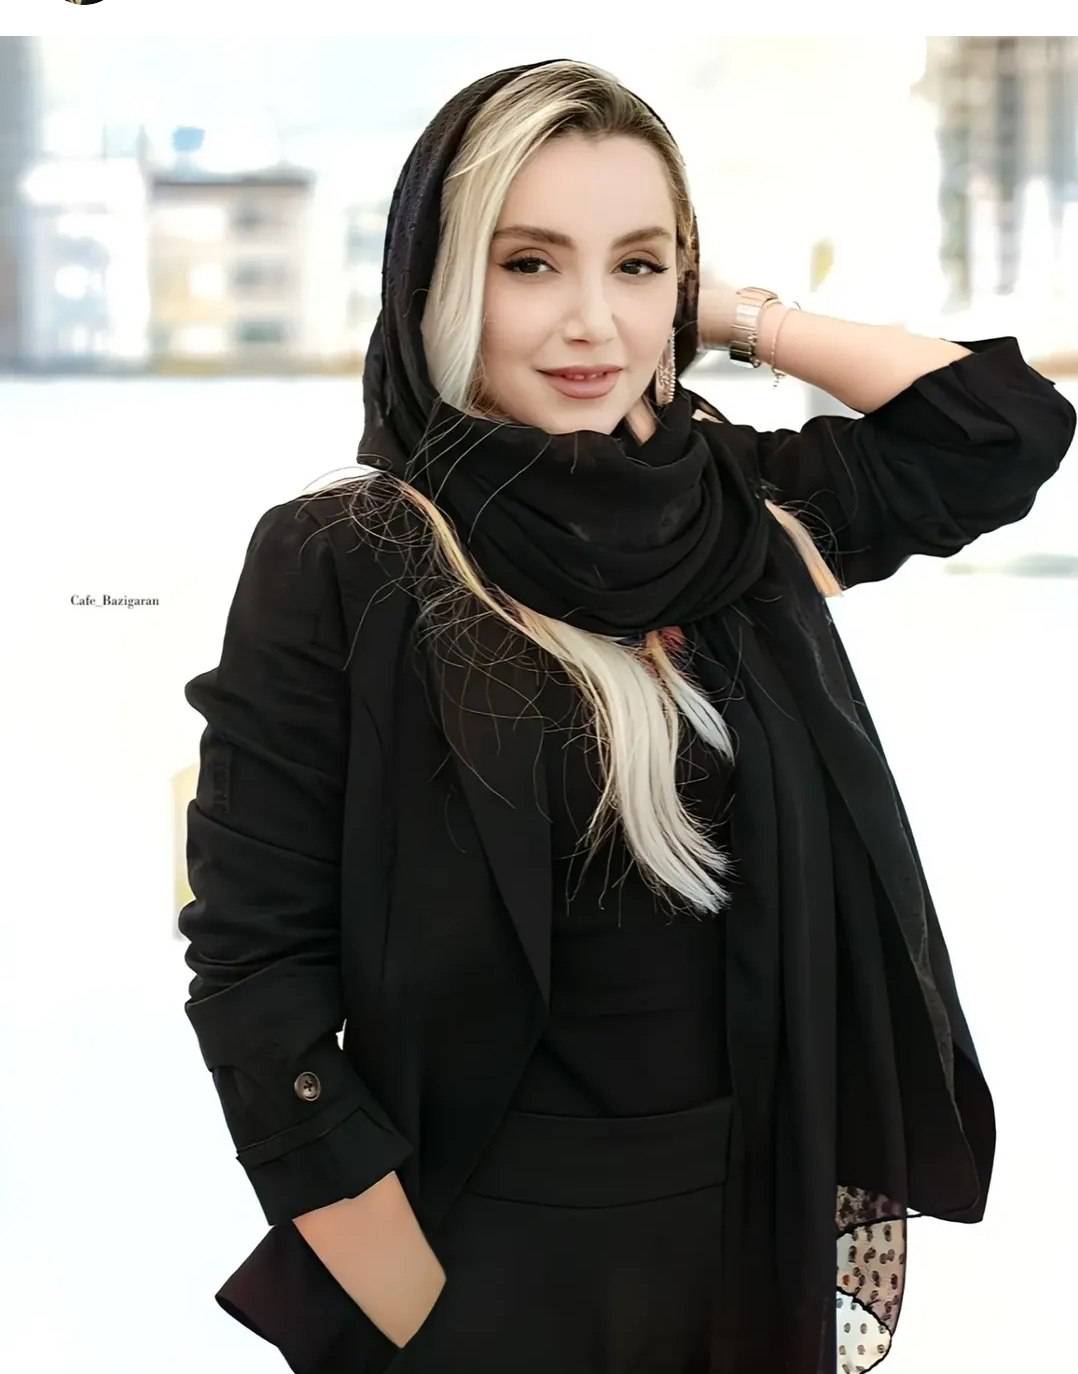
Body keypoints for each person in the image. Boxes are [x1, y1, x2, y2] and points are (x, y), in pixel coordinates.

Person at [178, 58, 1075, 1374]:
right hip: (479, 1252)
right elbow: (254, 967)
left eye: (637, 265)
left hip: (748, 1231)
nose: (589, 321)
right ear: (438, 278)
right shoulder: (349, 555)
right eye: (528, 263)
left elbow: (997, 430)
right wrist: (410, 1302)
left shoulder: (727, 511)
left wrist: (722, 312)